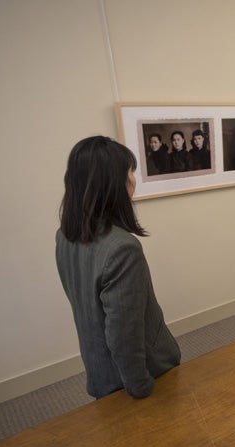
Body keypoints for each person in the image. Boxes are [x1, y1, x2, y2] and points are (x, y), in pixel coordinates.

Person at [55, 135, 182, 399]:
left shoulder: (65, 235)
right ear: (113, 184)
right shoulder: (122, 248)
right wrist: (141, 389)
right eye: (129, 172)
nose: (133, 179)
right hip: (140, 375)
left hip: (98, 367)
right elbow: (125, 335)